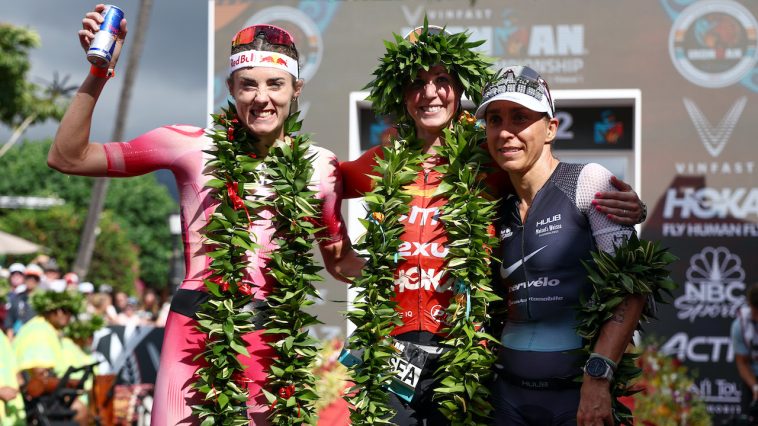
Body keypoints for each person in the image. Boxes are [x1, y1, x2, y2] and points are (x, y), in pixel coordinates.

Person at [48, 5, 362, 424]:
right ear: (231, 86)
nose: (261, 97)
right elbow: (67, 157)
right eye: (248, 85)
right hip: (195, 328)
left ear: (296, 88)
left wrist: (415, 262)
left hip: (273, 335)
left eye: (275, 84)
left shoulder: (322, 166)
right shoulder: (189, 146)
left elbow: (340, 260)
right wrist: (98, 73)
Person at [338, 26, 646, 424]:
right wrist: (338, 252)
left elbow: (549, 176)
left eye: (443, 80)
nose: (430, 92)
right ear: (401, 95)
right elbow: (321, 186)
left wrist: (626, 206)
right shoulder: (382, 161)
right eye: (417, 82)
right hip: (397, 355)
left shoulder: (492, 157)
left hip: (470, 359)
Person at [477, 65, 646, 425]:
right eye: (494, 119)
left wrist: (599, 377)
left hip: (576, 399)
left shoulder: (588, 182)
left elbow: (632, 288)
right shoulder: (492, 203)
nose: (505, 132)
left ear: (551, 128)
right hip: (506, 400)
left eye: (520, 117)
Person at [12, 289, 90, 424]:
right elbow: (40, 378)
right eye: (65, 310)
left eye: (70, 311)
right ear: (54, 310)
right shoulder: (39, 330)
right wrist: (71, 385)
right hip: (36, 402)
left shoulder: (48, 329)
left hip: (44, 399)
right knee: (79, 411)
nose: (67, 315)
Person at [731, 282, 758, 417]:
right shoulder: (739, 326)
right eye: (755, 313)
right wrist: (755, 387)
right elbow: (742, 362)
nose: (757, 318)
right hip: (753, 378)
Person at [4, 263, 43, 338]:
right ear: (24, 279)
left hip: (36, 338)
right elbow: (9, 322)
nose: (31, 280)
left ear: (38, 281)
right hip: (18, 338)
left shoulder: (43, 301)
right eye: (29, 277)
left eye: (35, 278)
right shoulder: (17, 298)